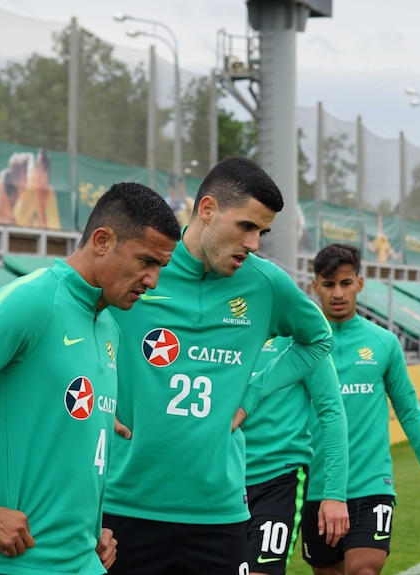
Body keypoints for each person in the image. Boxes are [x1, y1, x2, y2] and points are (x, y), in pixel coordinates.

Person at [0, 182, 182, 575]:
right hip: (13, 564)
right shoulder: (32, 299)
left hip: (85, 562)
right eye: (145, 262)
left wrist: (90, 531)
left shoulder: (110, 327)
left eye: (160, 268)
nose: (153, 280)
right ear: (102, 240)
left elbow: (76, 446)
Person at [102, 156, 334, 575]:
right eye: (246, 226)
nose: (254, 244)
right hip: (124, 504)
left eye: (262, 232)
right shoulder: (138, 270)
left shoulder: (265, 284)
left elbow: (318, 340)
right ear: (207, 210)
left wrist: (255, 391)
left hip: (218, 514)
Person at [301, 243, 420, 575]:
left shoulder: (384, 343)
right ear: (315, 287)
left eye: (345, 283)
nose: (337, 293)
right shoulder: (301, 344)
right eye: (328, 285)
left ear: (360, 283)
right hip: (318, 488)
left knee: (363, 571)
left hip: (372, 485)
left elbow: (410, 411)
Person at [243, 337, 349, 575]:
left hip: (279, 479)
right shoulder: (226, 328)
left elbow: (332, 413)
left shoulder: (302, 336)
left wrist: (334, 495)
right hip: (221, 480)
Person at [13, 147, 61, 229]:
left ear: (46, 173)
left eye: (39, 167)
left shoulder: (49, 193)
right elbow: (18, 216)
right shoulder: (31, 188)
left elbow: (54, 226)